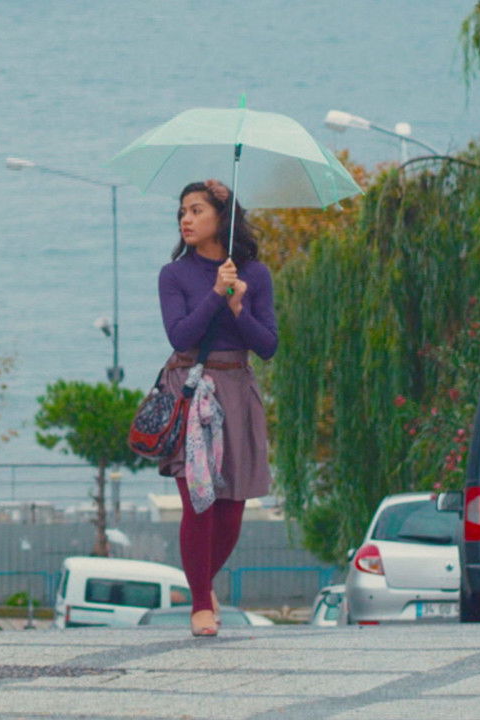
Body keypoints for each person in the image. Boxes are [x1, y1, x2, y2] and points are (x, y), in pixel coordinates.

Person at [157, 179, 277, 637]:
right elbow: (180, 335)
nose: (186, 219)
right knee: (199, 502)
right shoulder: (174, 275)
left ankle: (202, 584)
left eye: (196, 210)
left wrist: (238, 306)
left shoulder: (255, 274)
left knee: (231, 510)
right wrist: (214, 294)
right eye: (182, 211)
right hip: (192, 391)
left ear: (221, 219)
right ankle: (200, 604)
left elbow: (268, 346)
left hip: (237, 391)